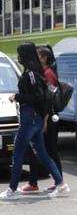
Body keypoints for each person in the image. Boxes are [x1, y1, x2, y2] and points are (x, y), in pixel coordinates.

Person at [0, 42, 69, 200]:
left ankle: (12, 188)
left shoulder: (31, 74)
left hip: (30, 118)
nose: (18, 57)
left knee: (18, 153)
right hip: (35, 119)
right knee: (43, 154)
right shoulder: (34, 72)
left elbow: (38, 96)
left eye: (20, 54)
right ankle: (60, 183)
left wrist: (17, 97)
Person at [21, 45, 63, 193]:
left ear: (44, 58)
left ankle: (60, 182)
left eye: (38, 56)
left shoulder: (49, 74)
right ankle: (34, 182)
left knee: (50, 150)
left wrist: (44, 120)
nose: (35, 59)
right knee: (36, 150)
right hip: (42, 117)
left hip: (48, 118)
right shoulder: (40, 73)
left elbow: (48, 100)